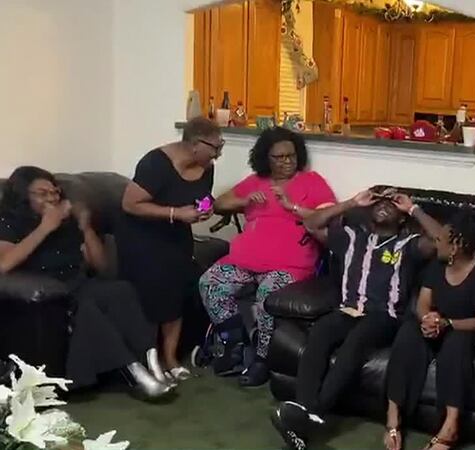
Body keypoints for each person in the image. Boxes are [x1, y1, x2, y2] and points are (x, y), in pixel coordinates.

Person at [270, 188, 444, 450]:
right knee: (318, 334)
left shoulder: (408, 245)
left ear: (401, 219)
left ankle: (314, 412)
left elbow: (443, 241)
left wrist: (413, 208)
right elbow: (311, 223)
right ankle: (304, 414)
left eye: (392, 204)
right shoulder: (350, 237)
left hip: (383, 316)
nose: (384, 205)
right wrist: (351, 203)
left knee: (357, 341)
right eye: (380, 202)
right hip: (346, 310)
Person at [0, 166, 173, 399]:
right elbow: (4, 265)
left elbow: (102, 268)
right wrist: (45, 227)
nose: (52, 198)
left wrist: (85, 226)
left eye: (55, 192)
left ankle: (152, 362)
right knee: (87, 308)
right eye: (42, 193)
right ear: (23, 196)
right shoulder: (10, 224)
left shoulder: (67, 222)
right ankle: (133, 371)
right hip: (51, 291)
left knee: (121, 290)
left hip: (79, 282)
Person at [199, 127, 335, 387]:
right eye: (279, 157)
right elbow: (218, 204)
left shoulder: (312, 182)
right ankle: (234, 342)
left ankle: (262, 360)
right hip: (244, 261)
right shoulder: (255, 181)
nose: (287, 162)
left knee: (268, 296)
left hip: (290, 265)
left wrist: (293, 207)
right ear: (265, 159)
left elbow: (328, 215)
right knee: (210, 282)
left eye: (291, 156)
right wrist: (245, 200)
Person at [384, 212, 475, 450]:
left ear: (457, 245)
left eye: (440, 239)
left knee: (456, 345)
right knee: (408, 333)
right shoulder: (437, 266)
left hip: (460, 329)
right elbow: (422, 302)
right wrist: (428, 319)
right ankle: (393, 417)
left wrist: (447, 323)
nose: (435, 242)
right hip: (436, 324)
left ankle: (451, 426)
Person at [117, 117, 221, 383]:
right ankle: (148, 358)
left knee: (177, 293)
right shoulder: (155, 164)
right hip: (143, 237)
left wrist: (204, 209)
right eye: (215, 147)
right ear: (196, 145)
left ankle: (171, 358)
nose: (218, 153)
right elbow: (130, 204)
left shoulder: (206, 165)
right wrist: (175, 213)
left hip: (177, 237)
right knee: (155, 293)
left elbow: (201, 197)